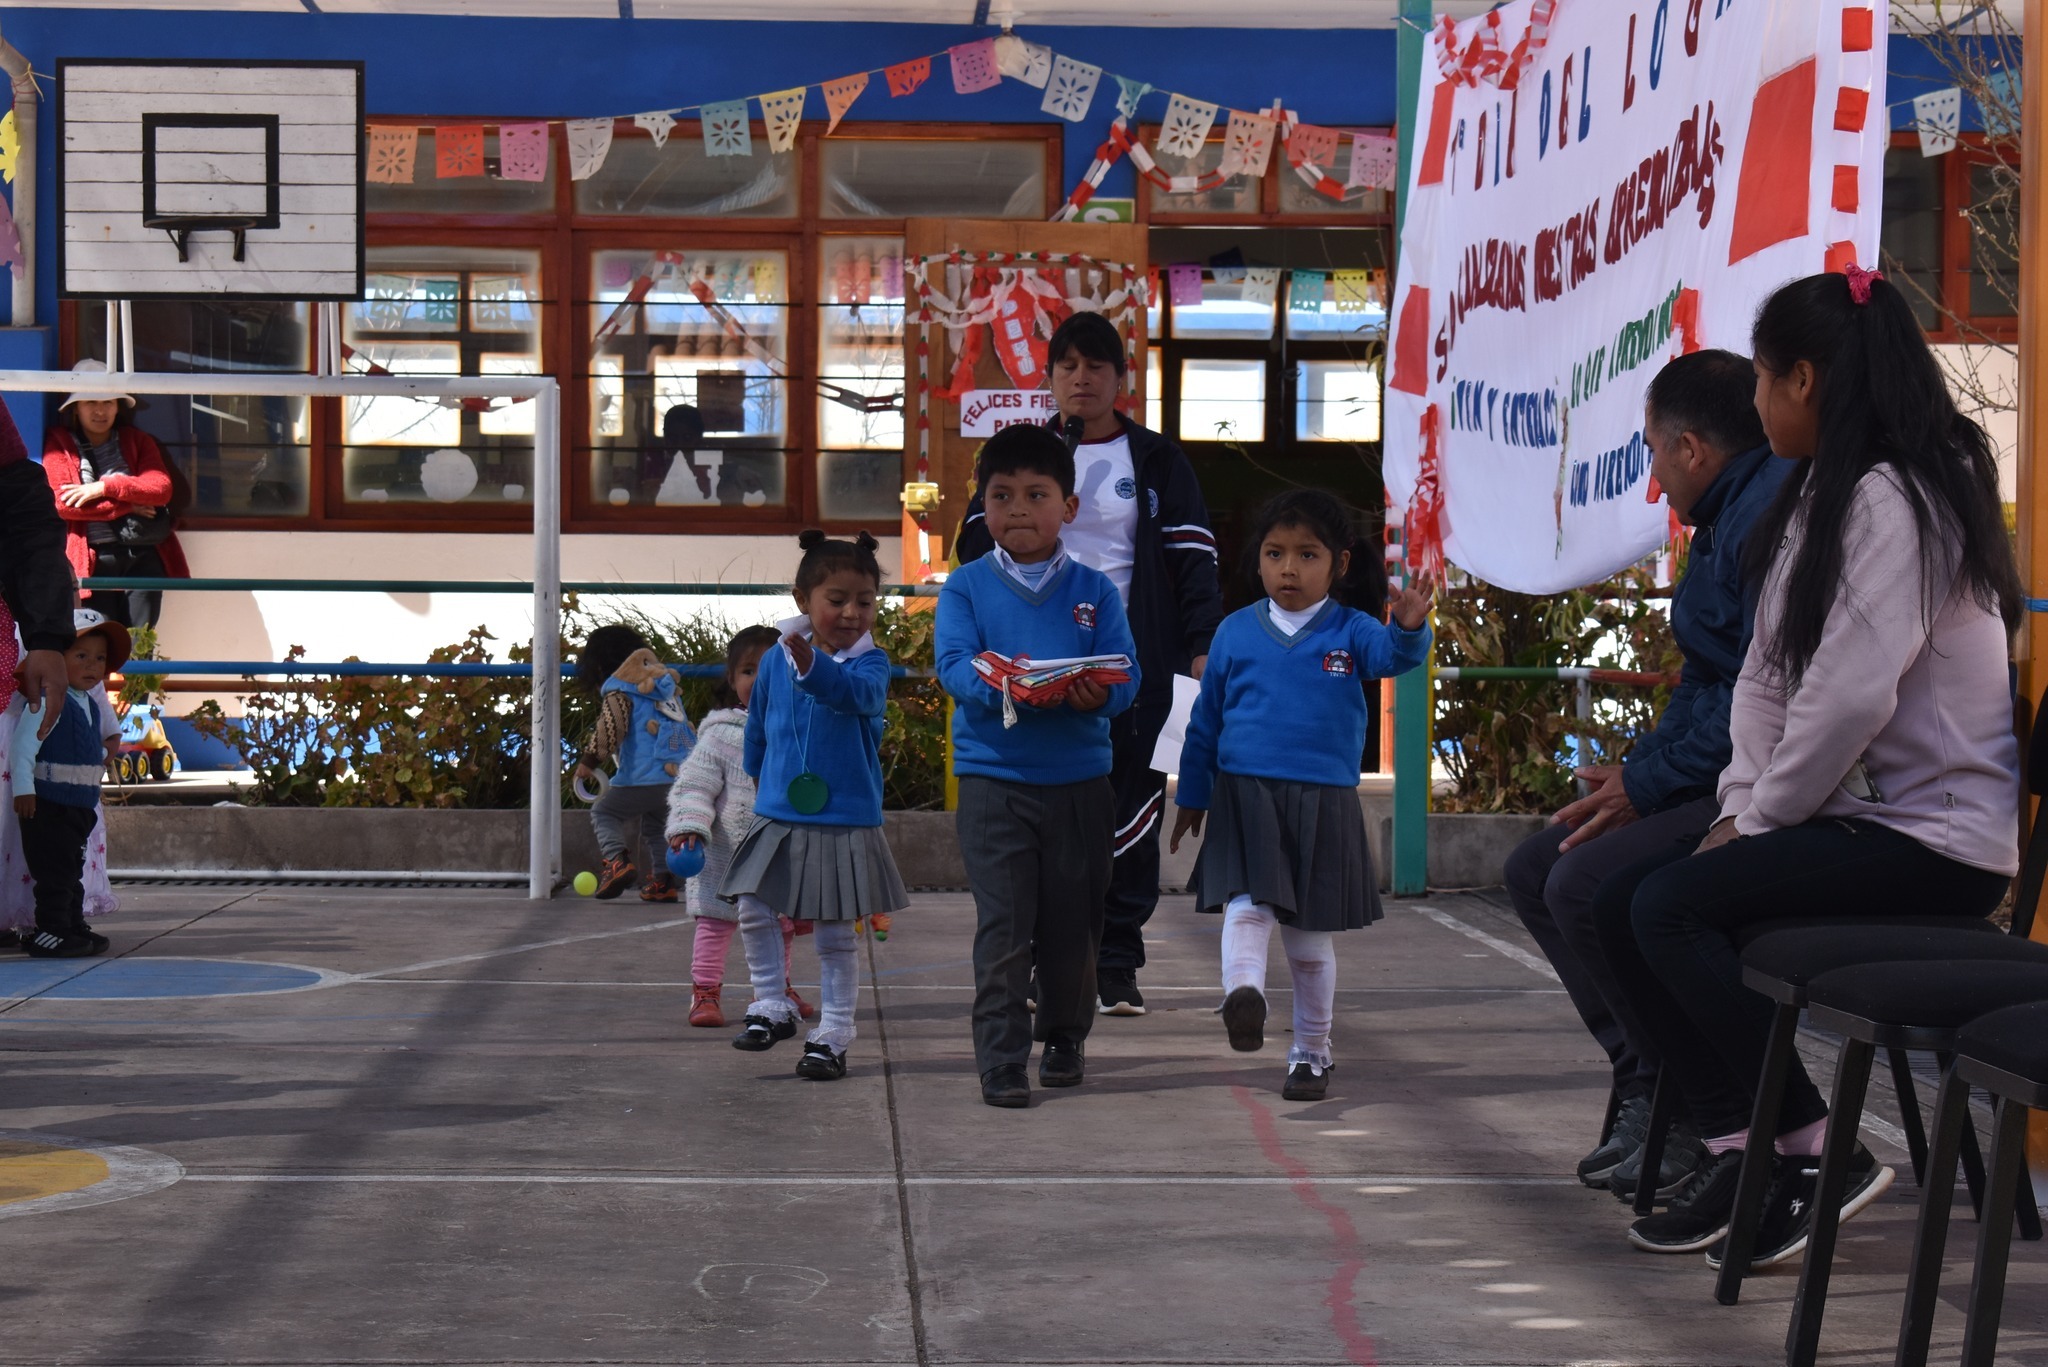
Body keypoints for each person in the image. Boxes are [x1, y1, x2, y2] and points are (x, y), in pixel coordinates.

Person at [1602, 266, 2022, 1266]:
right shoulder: (1820, 493)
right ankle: (1753, 1148)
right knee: (1629, 897)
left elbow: (1847, 692)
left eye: (1758, 379)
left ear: (1801, 380)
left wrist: (1758, 820)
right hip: (1860, 821)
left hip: (1937, 843)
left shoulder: (1903, 499)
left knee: (1664, 907)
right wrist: (1739, 807)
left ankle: (1810, 1152)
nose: (1753, 403)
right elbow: (1768, 677)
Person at [1500, 349, 1788, 1197]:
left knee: (1587, 883)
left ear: (1693, 448)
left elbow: (1758, 700)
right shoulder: (1728, 520)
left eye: (1654, 453)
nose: (1654, 481)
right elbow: (1708, 683)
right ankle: (1647, 1076)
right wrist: (1640, 770)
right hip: (1718, 768)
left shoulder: (1771, 519)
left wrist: (1652, 785)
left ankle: (1697, 1105)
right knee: (1538, 863)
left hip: (1770, 785)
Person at [955, 311, 1225, 1016]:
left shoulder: (1159, 459)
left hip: (1130, 656)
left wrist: (1201, 647)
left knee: (1130, 805)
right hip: (1034, 655)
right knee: (1052, 815)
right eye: (1068, 366)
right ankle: (1050, 962)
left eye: (1096, 366)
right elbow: (969, 546)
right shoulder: (1023, 453)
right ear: (1048, 379)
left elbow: (1195, 562)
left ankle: (1117, 962)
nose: (1082, 378)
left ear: (1121, 379)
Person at [1169, 490, 1432, 1100]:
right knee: (1247, 904)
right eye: (1275, 553)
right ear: (1257, 561)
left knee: (1311, 942)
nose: (1289, 568)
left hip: (1324, 801)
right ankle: (1245, 993)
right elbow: (1205, 721)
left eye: (1307, 555)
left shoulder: (1354, 628)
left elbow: (1394, 657)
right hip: (1245, 794)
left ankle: (1312, 1052)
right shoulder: (1235, 632)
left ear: (1339, 564)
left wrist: (1412, 626)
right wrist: (1194, 795)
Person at [936, 424, 1141, 1108]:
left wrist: (1099, 692)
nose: (1018, 508)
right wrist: (1007, 687)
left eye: (1036, 493)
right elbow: (953, 666)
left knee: (1073, 924)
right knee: (1004, 924)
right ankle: (1000, 1057)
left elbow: (1127, 674)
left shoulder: (1096, 591)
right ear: (981, 506)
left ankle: (1063, 1035)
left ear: (1069, 508)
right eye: (1001, 495)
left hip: (1081, 784)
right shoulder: (965, 588)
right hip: (995, 783)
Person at [720, 530, 907, 1081]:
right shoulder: (776, 658)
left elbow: (856, 698)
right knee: (753, 904)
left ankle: (833, 1033)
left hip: (842, 815)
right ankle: (770, 1005)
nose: (851, 613)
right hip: (780, 808)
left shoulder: (870, 664)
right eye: (836, 600)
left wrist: (813, 667)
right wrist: (758, 774)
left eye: (865, 601)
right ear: (803, 600)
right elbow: (760, 721)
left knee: (832, 931)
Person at [666, 624, 815, 1029]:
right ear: (732, 680)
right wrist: (690, 826)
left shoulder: (799, 731)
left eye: (772, 669)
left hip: (778, 853)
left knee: (778, 926)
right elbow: (695, 785)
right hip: (725, 854)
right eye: (749, 671)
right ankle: (705, 992)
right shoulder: (720, 736)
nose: (760, 679)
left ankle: (775, 988)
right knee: (715, 924)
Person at [8, 611, 129, 958]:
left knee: (71, 870)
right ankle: (50, 931)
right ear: (55, 660)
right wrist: (24, 790)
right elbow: (23, 748)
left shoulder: (88, 703)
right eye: (81, 656)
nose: (92, 665)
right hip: (48, 804)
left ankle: (73, 925)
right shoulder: (47, 701)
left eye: (100, 658)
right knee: (55, 874)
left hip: (78, 805)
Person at [41, 361, 190, 629]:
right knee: (101, 638)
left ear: (118, 406)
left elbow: (161, 489)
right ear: (76, 408)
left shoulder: (137, 441)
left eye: (108, 402)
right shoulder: (60, 444)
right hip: (95, 560)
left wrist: (104, 488)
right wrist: (128, 507)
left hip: (144, 556)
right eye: (90, 402)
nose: (100, 410)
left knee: (140, 642)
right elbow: (61, 504)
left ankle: (137, 674)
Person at [574, 625, 697, 902]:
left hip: (645, 776)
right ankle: (663, 881)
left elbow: (611, 727)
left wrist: (589, 761)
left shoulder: (620, 689)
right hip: (679, 775)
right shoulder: (664, 687)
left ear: (600, 665)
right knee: (656, 826)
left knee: (603, 812)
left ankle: (616, 860)